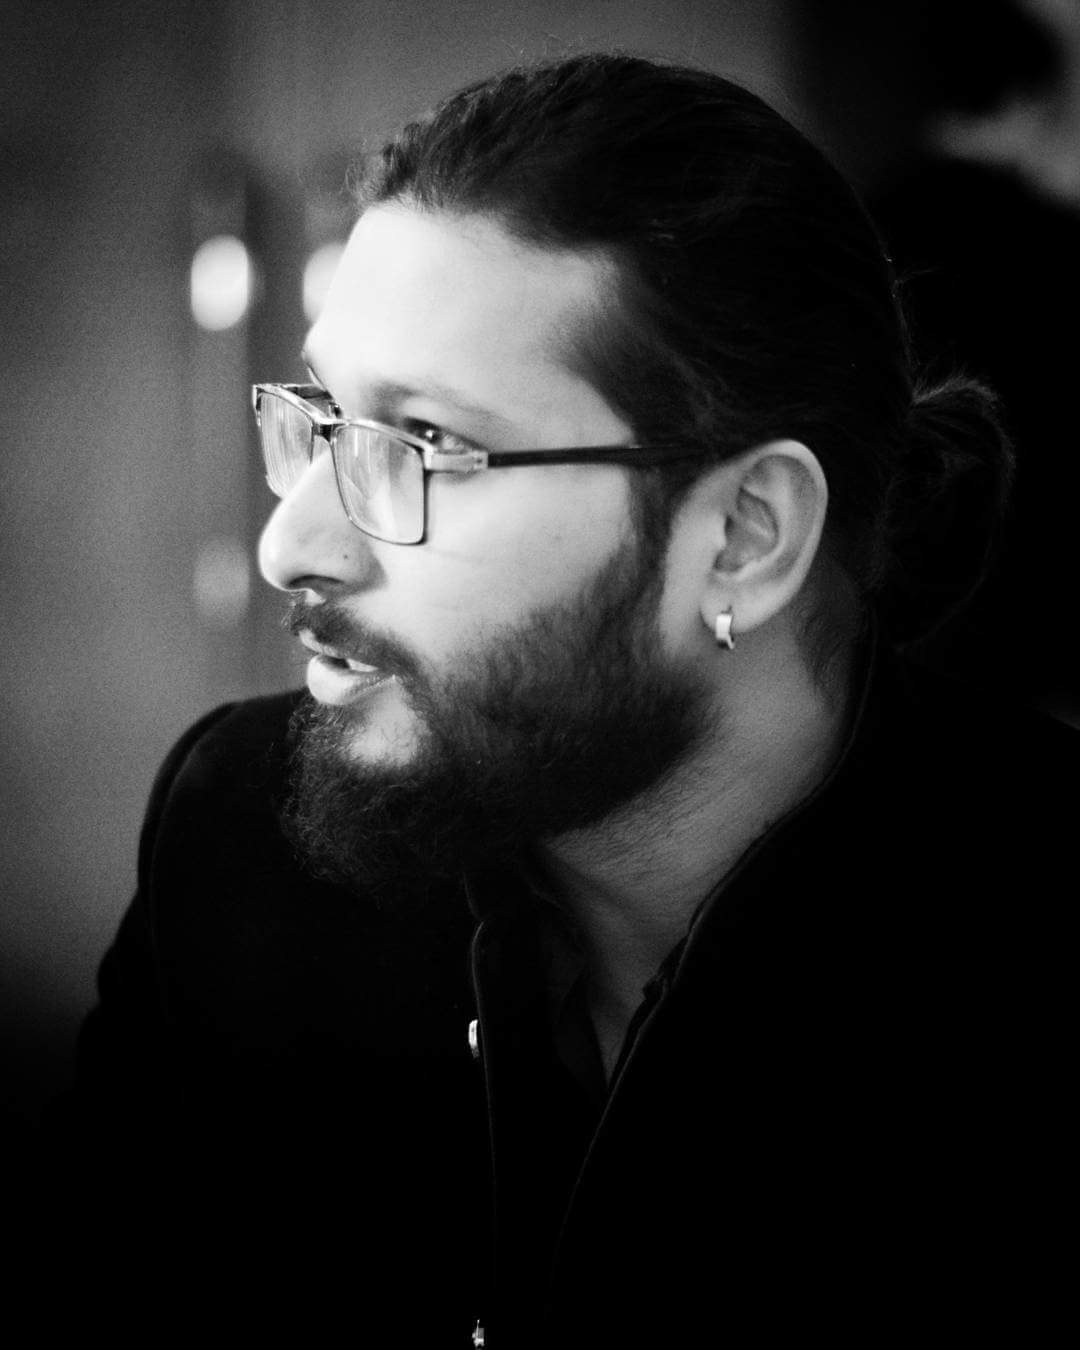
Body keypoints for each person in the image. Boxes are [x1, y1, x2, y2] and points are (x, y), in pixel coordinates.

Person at [45, 53, 1071, 1347]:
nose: (291, 544)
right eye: (322, 420)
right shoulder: (240, 835)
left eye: (423, 445)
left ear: (744, 536)